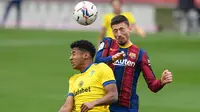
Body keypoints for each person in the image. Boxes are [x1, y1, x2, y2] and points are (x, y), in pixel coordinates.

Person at [95, 15, 173, 112]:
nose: (118, 34)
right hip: (104, 106)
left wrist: (161, 82)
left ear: (130, 28)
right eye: (115, 31)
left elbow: (153, 86)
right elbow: (97, 62)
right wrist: (112, 58)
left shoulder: (140, 54)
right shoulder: (108, 43)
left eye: (121, 29)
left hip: (127, 108)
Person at [59, 40, 118, 112]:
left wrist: (93, 103)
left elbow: (113, 95)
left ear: (86, 55)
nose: (71, 58)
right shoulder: (73, 79)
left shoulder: (101, 68)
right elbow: (67, 106)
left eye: (74, 54)